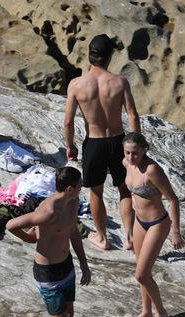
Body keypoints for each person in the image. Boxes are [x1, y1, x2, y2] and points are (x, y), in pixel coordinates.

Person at [6, 166, 91, 317]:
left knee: (69, 314)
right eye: (79, 185)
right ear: (70, 188)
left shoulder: (73, 202)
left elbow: (73, 232)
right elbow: (11, 225)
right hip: (48, 273)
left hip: (66, 265)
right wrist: (28, 238)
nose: (82, 188)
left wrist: (84, 264)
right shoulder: (47, 211)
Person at [63, 34, 141, 251]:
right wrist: (137, 147)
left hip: (94, 144)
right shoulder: (120, 82)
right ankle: (130, 238)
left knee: (95, 191)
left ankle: (103, 238)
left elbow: (68, 121)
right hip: (118, 142)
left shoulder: (76, 84)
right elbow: (133, 116)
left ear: (90, 55)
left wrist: (70, 146)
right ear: (110, 57)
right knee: (125, 189)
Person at [121, 133, 183, 317]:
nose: (131, 157)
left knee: (141, 274)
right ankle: (145, 311)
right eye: (128, 152)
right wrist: (128, 230)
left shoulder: (152, 170)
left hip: (158, 223)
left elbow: (173, 199)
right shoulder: (126, 163)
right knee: (142, 271)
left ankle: (160, 311)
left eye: (135, 153)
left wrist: (176, 231)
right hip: (140, 222)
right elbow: (130, 196)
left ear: (144, 150)